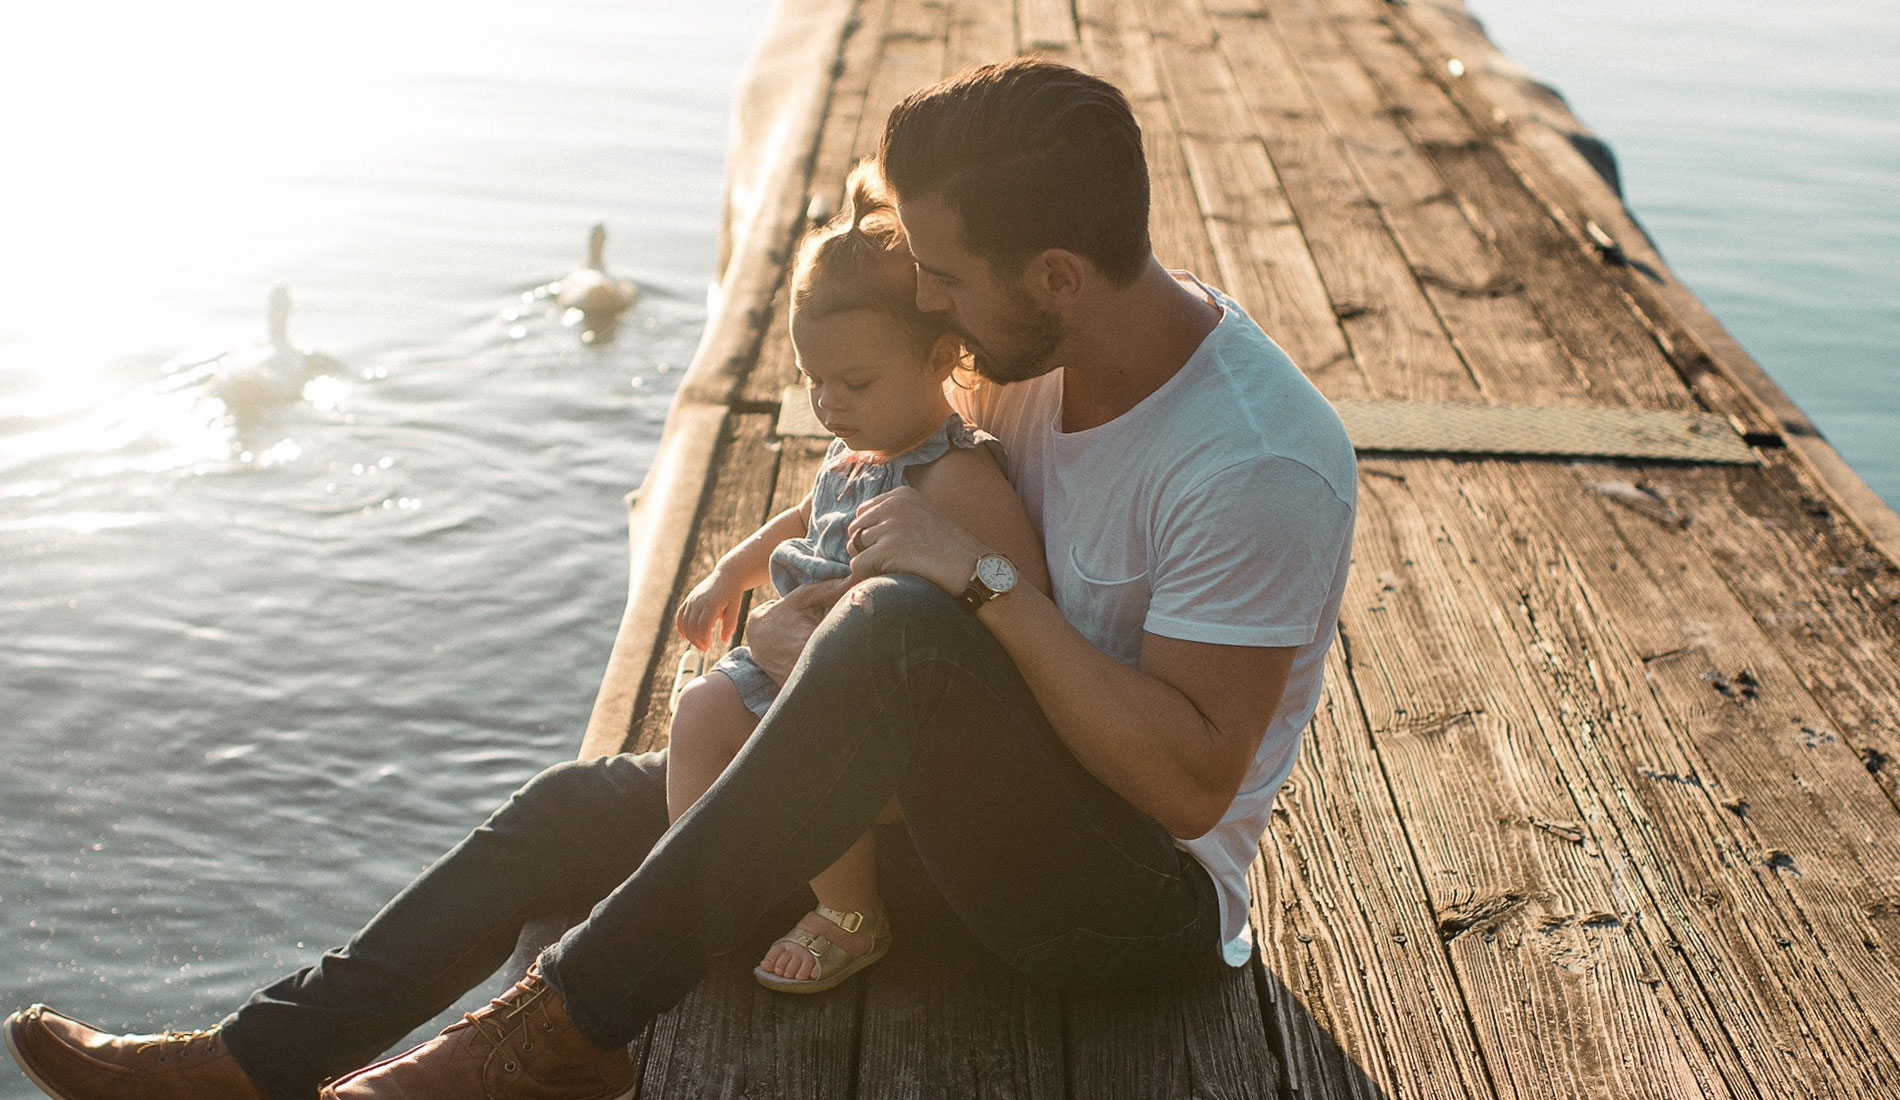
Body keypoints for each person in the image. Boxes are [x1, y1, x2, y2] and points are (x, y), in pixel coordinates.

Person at [3, 57, 1355, 1100]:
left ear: (1055, 274)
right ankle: (254, 1062)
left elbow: (1190, 784)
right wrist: (777, 551)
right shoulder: (1034, 368)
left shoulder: (1253, 458)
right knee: (566, 813)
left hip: (1126, 904)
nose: (929, 307)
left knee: (895, 631)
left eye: (945, 278)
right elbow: (904, 486)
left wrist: (984, 582)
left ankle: (560, 1033)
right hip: (951, 814)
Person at [667, 162, 1048, 993]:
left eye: (856, 382)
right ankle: (699, 890)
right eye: (814, 384)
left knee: (808, 753)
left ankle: (851, 911)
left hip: (874, 702)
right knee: (697, 711)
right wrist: (733, 571)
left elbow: (1022, 595)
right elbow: (805, 517)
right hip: (793, 656)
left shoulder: (954, 475)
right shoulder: (857, 451)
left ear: (943, 353)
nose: (830, 405)